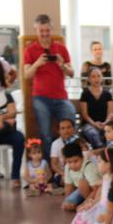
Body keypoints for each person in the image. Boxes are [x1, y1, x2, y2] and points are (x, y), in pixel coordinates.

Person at [23, 14, 75, 151]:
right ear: (36, 31)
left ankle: (71, 158)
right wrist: (37, 64)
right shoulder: (30, 50)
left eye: (47, 30)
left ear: (51, 29)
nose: (45, 34)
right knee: (45, 134)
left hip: (61, 97)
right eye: (41, 31)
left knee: (70, 128)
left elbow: (71, 73)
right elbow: (26, 75)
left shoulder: (61, 48)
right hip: (40, 98)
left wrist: (62, 65)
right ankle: (49, 163)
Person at [69, 147, 113, 224]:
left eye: (100, 162)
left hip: (110, 210)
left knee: (100, 223)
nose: (97, 164)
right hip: (101, 206)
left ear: (109, 163)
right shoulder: (105, 177)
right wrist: (91, 203)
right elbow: (101, 195)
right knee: (83, 214)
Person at [78, 67, 113, 149]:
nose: (96, 79)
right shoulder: (85, 94)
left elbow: (110, 113)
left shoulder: (107, 94)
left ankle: (104, 152)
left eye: (98, 76)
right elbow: (85, 114)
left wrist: (105, 123)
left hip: (105, 124)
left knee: (110, 133)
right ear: (89, 79)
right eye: (93, 76)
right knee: (92, 133)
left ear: (102, 78)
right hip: (89, 124)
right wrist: (94, 124)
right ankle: (101, 151)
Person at [60, 142, 100, 212]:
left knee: (82, 183)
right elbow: (68, 186)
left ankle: (90, 204)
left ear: (82, 157)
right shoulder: (67, 167)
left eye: (76, 161)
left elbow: (96, 189)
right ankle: (81, 204)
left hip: (94, 191)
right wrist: (67, 200)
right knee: (66, 206)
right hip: (80, 191)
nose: (73, 165)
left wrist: (85, 204)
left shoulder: (88, 166)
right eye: (69, 162)